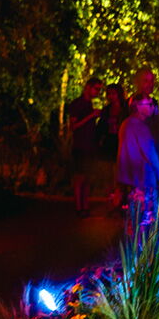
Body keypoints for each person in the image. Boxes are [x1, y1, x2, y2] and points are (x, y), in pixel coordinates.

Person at [116, 79, 159, 213]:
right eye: (148, 104)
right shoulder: (140, 126)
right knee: (147, 214)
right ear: (137, 106)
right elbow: (150, 154)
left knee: (135, 212)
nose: (152, 107)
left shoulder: (126, 123)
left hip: (131, 177)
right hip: (144, 176)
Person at [66, 78, 105, 216]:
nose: (98, 92)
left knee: (87, 177)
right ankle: (79, 207)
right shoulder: (77, 104)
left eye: (99, 89)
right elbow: (74, 126)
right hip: (80, 146)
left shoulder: (89, 104)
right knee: (80, 177)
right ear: (88, 87)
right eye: (96, 89)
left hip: (90, 146)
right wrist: (91, 116)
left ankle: (85, 206)